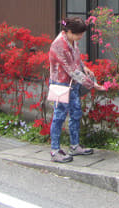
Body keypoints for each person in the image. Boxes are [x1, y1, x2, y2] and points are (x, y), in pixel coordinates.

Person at [48, 17, 106, 163]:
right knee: (59, 116)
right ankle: (55, 150)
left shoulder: (71, 40)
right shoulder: (59, 45)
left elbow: (76, 59)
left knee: (76, 113)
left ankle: (74, 146)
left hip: (73, 83)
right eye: (78, 34)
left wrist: (84, 67)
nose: (80, 37)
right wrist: (92, 84)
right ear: (68, 31)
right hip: (60, 84)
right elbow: (71, 70)